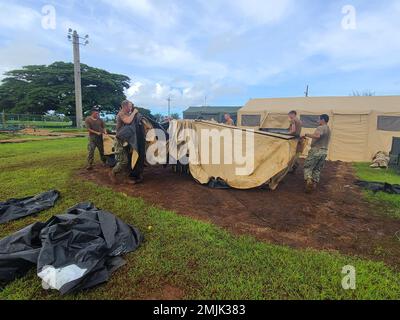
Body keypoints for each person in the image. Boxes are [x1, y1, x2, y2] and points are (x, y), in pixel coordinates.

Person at [109, 100, 138, 183]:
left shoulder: (127, 114)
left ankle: (126, 178)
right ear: (125, 106)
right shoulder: (121, 114)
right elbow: (128, 121)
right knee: (123, 161)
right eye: (130, 106)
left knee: (128, 160)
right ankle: (113, 172)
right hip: (120, 140)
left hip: (126, 140)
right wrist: (134, 112)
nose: (131, 108)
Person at [302, 114, 331, 193]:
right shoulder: (328, 129)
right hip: (324, 151)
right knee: (317, 168)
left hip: (316, 150)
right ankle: (314, 184)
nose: (318, 121)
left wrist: (307, 134)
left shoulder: (320, 127)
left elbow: (317, 136)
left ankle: (309, 181)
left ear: (323, 120)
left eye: (319, 119)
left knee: (308, 166)